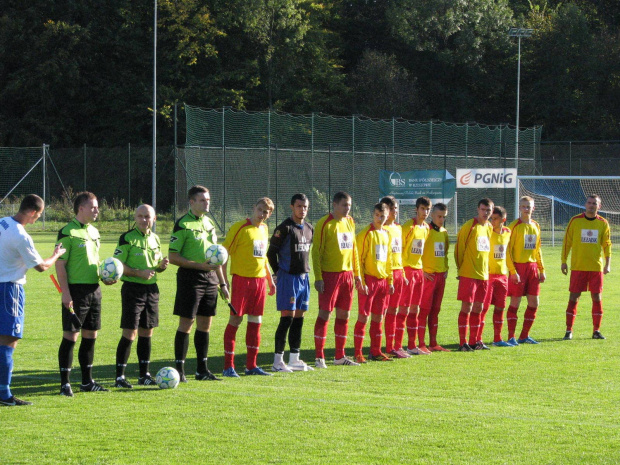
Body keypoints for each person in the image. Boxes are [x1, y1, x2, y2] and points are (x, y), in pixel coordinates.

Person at [0, 195, 65, 406]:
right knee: (9, 340)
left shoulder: (3, 221)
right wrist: (56, 255)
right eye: (38, 215)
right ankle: (4, 393)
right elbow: (41, 267)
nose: (38, 218)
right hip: (10, 289)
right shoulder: (21, 236)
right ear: (31, 212)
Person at [169, 186, 229, 382]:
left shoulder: (210, 223)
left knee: (205, 324)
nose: (207, 203)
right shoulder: (182, 224)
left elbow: (216, 256)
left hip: (210, 278)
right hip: (190, 278)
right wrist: (198, 266)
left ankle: (202, 370)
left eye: (208, 199)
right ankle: (180, 370)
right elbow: (173, 256)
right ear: (192, 202)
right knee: (187, 323)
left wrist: (222, 284)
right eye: (202, 200)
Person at [56, 192, 110, 396]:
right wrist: (65, 293)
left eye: (97, 207)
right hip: (75, 291)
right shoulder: (67, 232)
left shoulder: (95, 232)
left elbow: (95, 262)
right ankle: (65, 384)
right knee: (71, 335)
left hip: (94, 290)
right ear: (81, 208)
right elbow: (60, 265)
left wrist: (105, 277)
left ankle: (87, 381)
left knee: (90, 335)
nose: (97, 210)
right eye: (93, 207)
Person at [113, 205, 169, 388]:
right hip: (132, 289)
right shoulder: (127, 238)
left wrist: (161, 266)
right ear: (135, 218)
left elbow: (154, 266)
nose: (144, 220)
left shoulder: (156, 239)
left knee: (147, 331)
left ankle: (144, 374)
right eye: (140, 216)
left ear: (154, 219)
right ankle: (120, 377)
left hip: (152, 290)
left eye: (147, 217)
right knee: (130, 332)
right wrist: (138, 273)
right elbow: (118, 265)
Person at [222, 197, 276, 377]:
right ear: (253, 208)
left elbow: (264, 257)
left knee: (256, 322)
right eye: (260, 209)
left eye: (266, 212)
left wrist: (270, 279)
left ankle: (251, 366)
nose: (262, 214)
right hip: (241, 281)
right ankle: (228, 367)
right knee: (235, 320)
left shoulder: (265, 229)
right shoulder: (240, 227)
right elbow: (223, 254)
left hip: (259, 282)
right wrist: (224, 281)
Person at [312, 191, 363, 368]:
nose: (347, 208)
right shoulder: (324, 223)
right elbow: (316, 252)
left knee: (344, 314)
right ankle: (319, 357)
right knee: (325, 314)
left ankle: (340, 356)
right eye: (344, 205)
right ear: (334, 205)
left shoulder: (350, 222)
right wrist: (318, 277)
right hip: (330, 275)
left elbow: (354, 249)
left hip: (347, 276)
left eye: (349, 205)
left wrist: (357, 275)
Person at [267, 194, 314, 372]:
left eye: (305, 207)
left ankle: (295, 358)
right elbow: (271, 253)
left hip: (304, 278)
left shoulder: (310, 228)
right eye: (299, 206)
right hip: (289, 278)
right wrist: (278, 273)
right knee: (287, 317)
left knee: (299, 319)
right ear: (292, 207)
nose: (302, 210)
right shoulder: (284, 228)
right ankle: (278, 361)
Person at [561, 194, 611, 340]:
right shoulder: (575, 221)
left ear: (599, 206)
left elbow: (607, 245)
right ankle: (569, 330)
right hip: (578, 267)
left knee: (596, 297)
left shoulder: (603, 223)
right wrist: (563, 261)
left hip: (595, 267)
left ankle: (596, 331)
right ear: (585, 205)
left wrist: (608, 264)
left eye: (594, 203)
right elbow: (567, 242)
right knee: (574, 297)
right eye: (589, 203)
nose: (591, 205)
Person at [353, 203, 394, 363]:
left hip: (382, 281)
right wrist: (361, 281)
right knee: (364, 317)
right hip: (369, 280)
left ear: (387, 216)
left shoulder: (387, 234)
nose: (380, 218)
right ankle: (358, 353)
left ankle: (375, 351)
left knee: (378, 317)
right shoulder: (366, 234)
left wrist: (390, 280)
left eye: (382, 216)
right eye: (377, 215)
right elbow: (359, 260)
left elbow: (389, 259)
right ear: (373, 215)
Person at [454, 198, 493, 351]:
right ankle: (463, 342)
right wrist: (460, 269)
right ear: (478, 209)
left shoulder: (489, 227)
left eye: (488, 210)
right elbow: (459, 249)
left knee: (479, 307)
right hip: (468, 274)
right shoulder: (469, 226)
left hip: (483, 275)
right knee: (467, 307)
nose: (486, 212)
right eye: (483, 209)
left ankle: (475, 341)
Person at [506, 196, 545, 345]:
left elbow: (538, 249)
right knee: (515, 302)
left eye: (529, 206)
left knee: (534, 303)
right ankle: (511, 337)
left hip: (533, 267)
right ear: (519, 208)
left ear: (533, 208)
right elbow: (507, 251)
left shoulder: (536, 225)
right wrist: (512, 271)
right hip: (518, 268)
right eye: (523, 206)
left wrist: (542, 269)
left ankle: (524, 335)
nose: (526, 209)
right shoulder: (513, 226)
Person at [400, 196, 432, 355]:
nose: (425, 212)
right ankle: (397, 345)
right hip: (407, 270)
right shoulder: (408, 227)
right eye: (422, 209)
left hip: (419, 271)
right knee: (404, 308)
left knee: (415, 309)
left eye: (428, 210)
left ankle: (412, 345)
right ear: (416, 209)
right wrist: (402, 271)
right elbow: (399, 249)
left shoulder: (426, 228)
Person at [381, 196, 410, 359]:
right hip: (386, 273)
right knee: (383, 311)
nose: (395, 212)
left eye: (396, 209)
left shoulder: (398, 228)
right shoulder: (381, 229)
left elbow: (399, 253)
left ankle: (396, 346)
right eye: (392, 209)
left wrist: (403, 273)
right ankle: (381, 347)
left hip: (399, 273)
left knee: (397, 310)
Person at [418, 203, 450, 352]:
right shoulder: (426, 230)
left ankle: (433, 343)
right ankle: (421, 344)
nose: (441, 219)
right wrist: (422, 271)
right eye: (439, 216)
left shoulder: (444, 232)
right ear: (432, 215)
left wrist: (446, 268)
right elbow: (416, 252)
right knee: (424, 310)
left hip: (440, 277)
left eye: (444, 217)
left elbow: (445, 252)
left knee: (435, 310)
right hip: (428, 277)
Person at [480, 206, 514, 347]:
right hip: (488, 276)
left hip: (502, 276)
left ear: (503, 220)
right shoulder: (487, 231)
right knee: (484, 308)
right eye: (491, 218)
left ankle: (497, 339)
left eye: (495, 219)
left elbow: (507, 254)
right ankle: (478, 339)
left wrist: (513, 271)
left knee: (500, 307)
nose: (492, 221)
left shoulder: (507, 232)